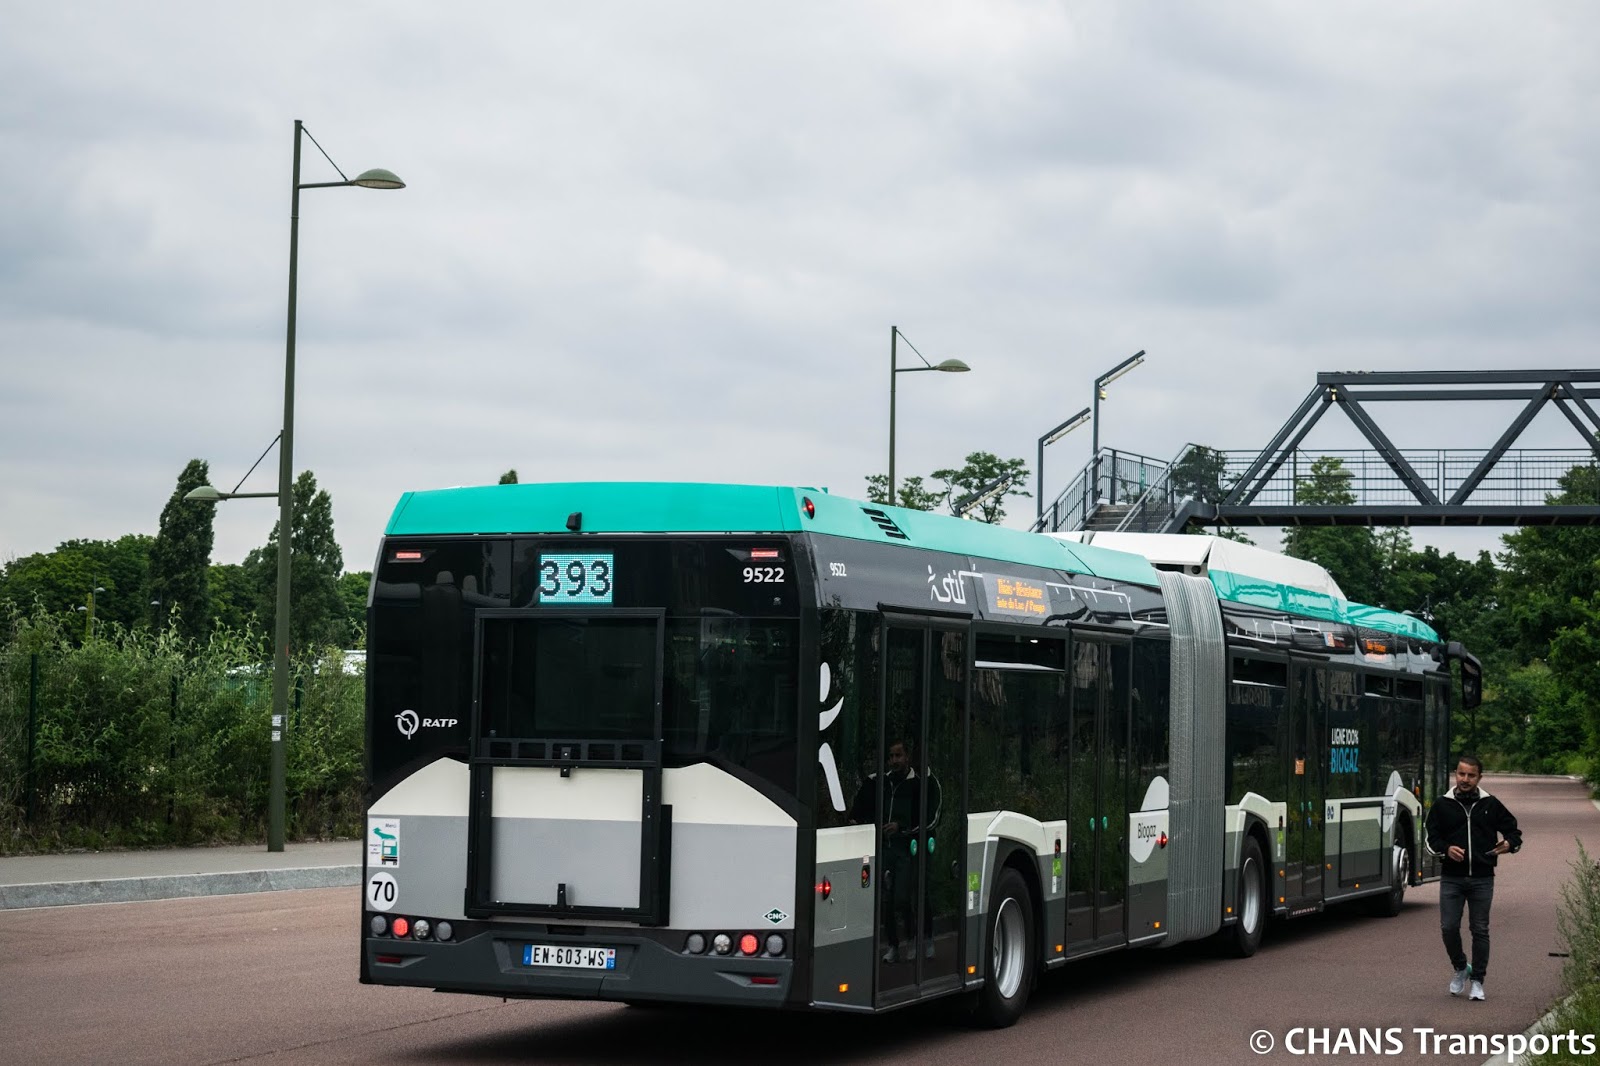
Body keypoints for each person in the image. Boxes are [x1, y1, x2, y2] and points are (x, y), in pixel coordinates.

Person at [1423, 755, 1522, 1002]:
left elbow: (1513, 830)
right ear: (1455, 774)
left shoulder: (1490, 804)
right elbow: (1430, 838)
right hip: (1452, 879)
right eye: (1461, 774)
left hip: (1482, 878)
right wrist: (1446, 849)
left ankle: (1477, 981)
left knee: (1480, 929)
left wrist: (1509, 843)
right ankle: (1460, 967)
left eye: (1470, 775)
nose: (1465, 779)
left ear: (1479, 777)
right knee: (1448, 927)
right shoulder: (1442, 805)